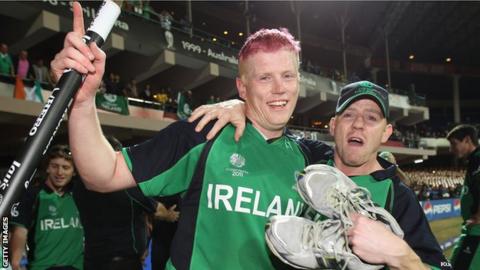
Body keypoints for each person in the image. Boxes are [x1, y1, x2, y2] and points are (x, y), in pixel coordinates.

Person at [50, 2, 330, 269]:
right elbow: (102, 174)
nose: (280, 88)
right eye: (265, 78)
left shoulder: (314, 162)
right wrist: (83, 102)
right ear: (242, 88)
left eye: (288, 76)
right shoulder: (202, 134)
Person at [190, 81, 448, 269]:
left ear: (386, 133)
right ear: (333, 126)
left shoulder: (399, 198)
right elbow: (266, 131)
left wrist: (400, 255)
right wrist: (239, 106)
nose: (358, 124)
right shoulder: (303, 158)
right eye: (349, 115)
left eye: (371, 118)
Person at [72, 136, 158, 270]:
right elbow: (159, 211)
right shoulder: (126, 186)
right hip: (122, 262)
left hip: (92, 259)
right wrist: (172, 214)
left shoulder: (79, 185)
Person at [9, 145, 83, 270]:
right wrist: (17, 262)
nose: (60, 172)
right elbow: (20, 231)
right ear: (47, 168)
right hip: (42, 267)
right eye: (54, 166)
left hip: (76, 267)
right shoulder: (33, 195)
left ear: (74, 171)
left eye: (66, 167)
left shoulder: (80, 194)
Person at [447, 124, 480, 270]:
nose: (451, 149)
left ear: (467, 140)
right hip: (473, 229)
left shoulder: (478, 158)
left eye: (454, 144)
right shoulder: (474, 160)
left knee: (454, 266)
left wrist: (478, 216)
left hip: (475, 230)